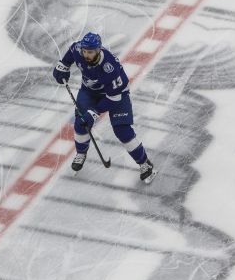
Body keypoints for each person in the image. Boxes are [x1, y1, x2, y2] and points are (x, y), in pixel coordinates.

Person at [53, 32, 157, 183]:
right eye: (85, 51)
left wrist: (95, 112)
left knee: (123, 131)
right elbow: (70, 53)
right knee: (81, 123)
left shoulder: (110, 67)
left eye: (90, 52)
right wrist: (63, 66)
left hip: (117, 95)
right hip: (89, 92)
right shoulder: (78, 49)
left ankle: (145, 164)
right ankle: (81, 153)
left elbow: (114, 98)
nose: (86, 55)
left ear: (99, 50)